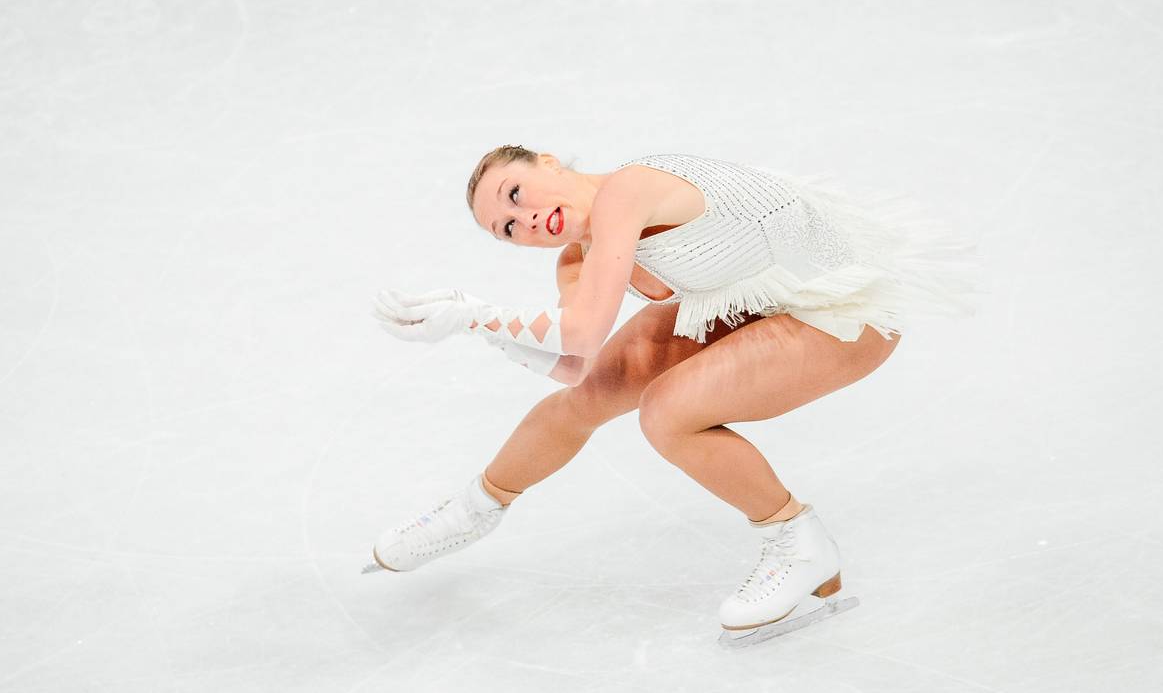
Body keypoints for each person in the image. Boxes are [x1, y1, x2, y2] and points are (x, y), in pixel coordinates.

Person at [367, 145, 983, 642]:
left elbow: (577, 331)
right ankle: (475, 509)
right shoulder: (576, 261)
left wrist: (476, 315)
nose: (523, 219)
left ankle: (798, 541)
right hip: (753, 304)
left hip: (845, 313)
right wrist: (481, 328)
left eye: (515, 193)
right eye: (507, 228)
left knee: (668, 412)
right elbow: (575, 366)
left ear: (549, 163)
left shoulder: (627, 191)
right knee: (591, 396)